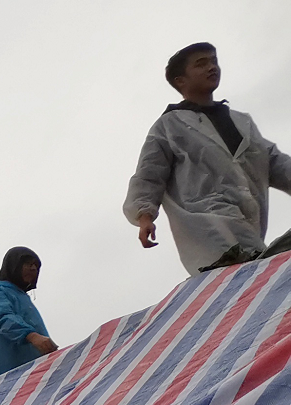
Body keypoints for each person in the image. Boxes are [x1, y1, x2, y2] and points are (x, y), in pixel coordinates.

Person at [125, 43, 291, 276]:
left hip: (248, 222)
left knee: (257, 271)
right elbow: (149, 173)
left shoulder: (241, 123)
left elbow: (275, 162)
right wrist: (144, 216)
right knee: (240, 274)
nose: (212, 67)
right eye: (201, 64)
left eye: (213, 61)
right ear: (180, 80)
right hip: (205, 222)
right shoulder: (170, 126)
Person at [0, 247, 56, 381]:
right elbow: (1, 317)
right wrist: (31, 335)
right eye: (28, 264)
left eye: (36, 266)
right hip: (6, 380)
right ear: (14, 265)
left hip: (38, 377)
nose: (33, 269)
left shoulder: (24, 300)